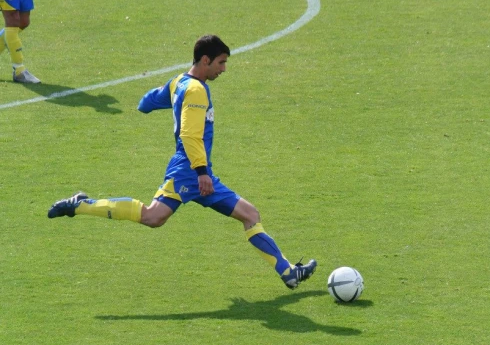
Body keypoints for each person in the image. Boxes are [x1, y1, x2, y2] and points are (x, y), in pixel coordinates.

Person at [48, 34, 317, 290]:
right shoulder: (198, 90)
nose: (223, 69)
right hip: (191, 171)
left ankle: (287, 272)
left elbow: (147, 102)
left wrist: (154, 104)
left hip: (199, 171)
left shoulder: (179, 82)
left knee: (250, 214)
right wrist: (201, 173)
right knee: (153, 216)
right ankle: (81, 205)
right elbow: (189, 134)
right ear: (205, 60)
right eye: (221, 62)